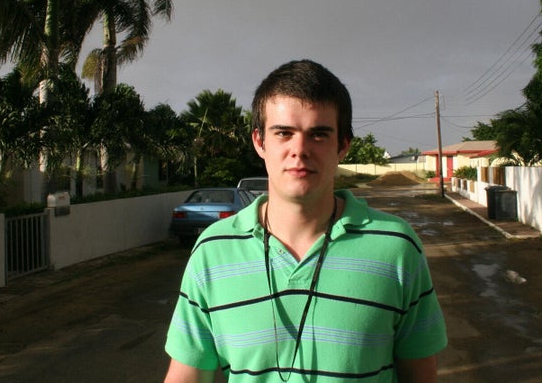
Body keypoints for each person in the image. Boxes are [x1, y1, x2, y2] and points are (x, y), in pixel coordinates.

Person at [164, 60, 447, 382]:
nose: (299, 150)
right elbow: (186, 374)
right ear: (260, 142)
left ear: (343, 145)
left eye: (318, 135)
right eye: (284, 133)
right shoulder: (213, 250)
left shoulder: (397, 246)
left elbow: (420, 375)